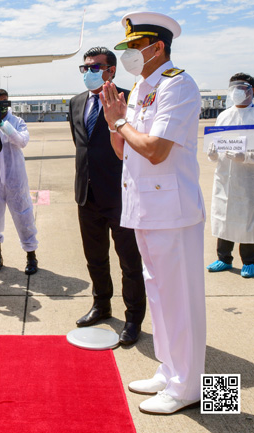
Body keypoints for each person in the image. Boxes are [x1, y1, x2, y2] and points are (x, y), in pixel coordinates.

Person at [100, 12, 206, 415]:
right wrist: (116, 125)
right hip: (146, 208)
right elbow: (124, 149)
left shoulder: (178, 84)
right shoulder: (143, 86)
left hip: (174, 211)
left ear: (157, 46)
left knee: (184, 301)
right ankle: (171, 371)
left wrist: (120, 120)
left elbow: (156, 150)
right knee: (160, 297)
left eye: (133, 46)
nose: (126, 53)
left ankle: (193, 387)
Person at [68, 47, 146, 345]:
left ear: (111, 70)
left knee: (129, 262)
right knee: (95, 258)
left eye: (95, 67)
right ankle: (102, 304)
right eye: (85, 67)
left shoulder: (129, 99)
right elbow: (81, 144)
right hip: (86, 195)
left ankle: (133, 318)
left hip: (120, 194)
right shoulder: (76, 103)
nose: (89, 72)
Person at [0, 89, 38, 275]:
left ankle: (31, 257)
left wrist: (3, 124)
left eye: (4, 101)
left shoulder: (17, 121)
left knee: (24, 217)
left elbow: (22, 141)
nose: (0, 105)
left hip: (15, 179)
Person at [206, 73, 254, 278]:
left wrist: (247, 156)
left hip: (247, 178)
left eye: (241, 88)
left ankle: (250, 261)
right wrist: (212, 153)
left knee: (247, 219)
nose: (237, 92)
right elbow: (215, 142)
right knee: (223, 217)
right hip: (225, 177)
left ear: (251, 91)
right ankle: (224, 258)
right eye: (233, 88)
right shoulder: (224, 116)